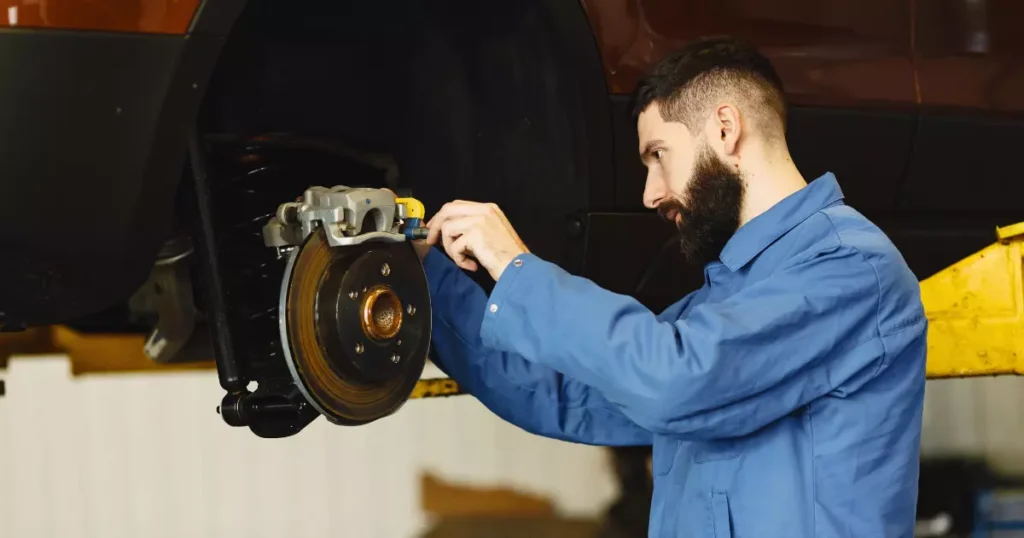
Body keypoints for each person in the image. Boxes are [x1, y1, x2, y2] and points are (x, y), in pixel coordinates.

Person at [411, 36, 927, 538]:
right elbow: (559, 394)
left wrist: (515, 264)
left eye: (658, 155)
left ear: (725, 128)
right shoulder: (717, 306)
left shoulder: (851, 269)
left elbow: (675, 380)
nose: (650, 193)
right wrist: (426, 274)